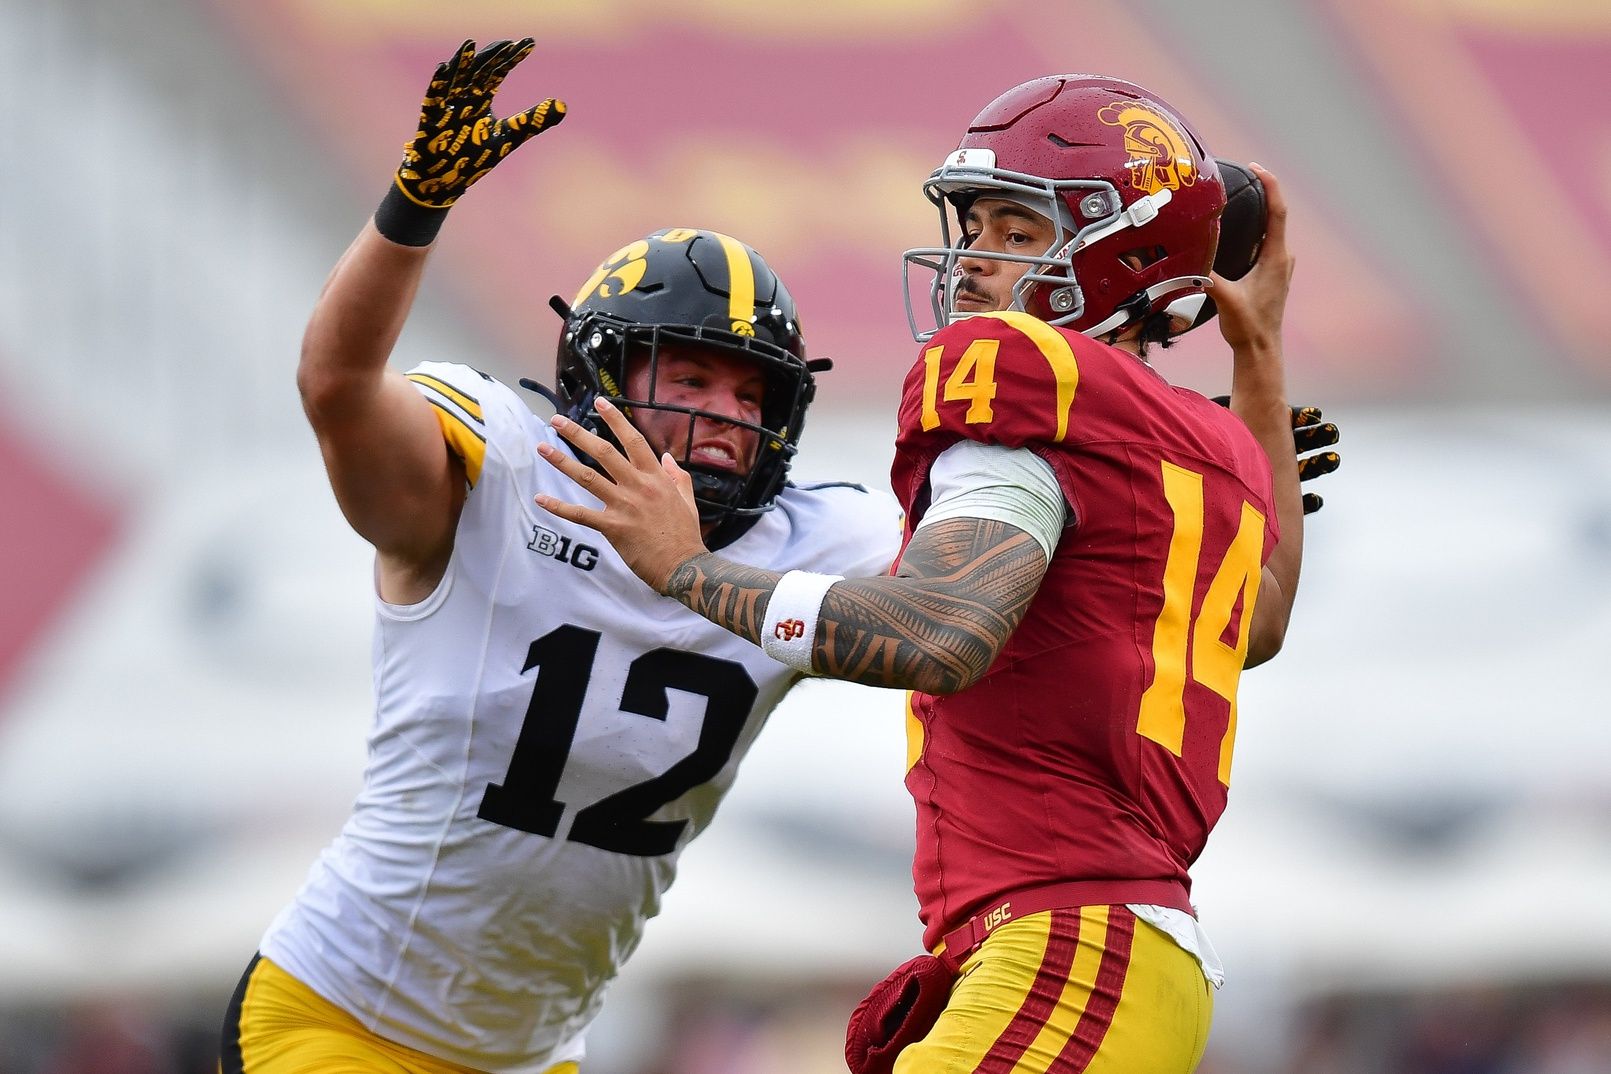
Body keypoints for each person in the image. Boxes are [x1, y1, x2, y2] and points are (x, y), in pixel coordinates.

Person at [535, 74, 1312, 1073]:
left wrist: (682, 567)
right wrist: (1261, 361)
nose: (975, 258)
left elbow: (939, 633)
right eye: (975, 222)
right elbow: (1267, 615)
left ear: (1127, 246)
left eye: (1020, 229)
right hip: (1107, 948)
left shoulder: (1028, 380)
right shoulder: (1200, 435)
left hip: (1069, 943)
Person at [218, 39, 902, 1074]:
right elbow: (337, 383)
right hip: (341, 1017)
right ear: (602, 376)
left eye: (750, 394)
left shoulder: (812, 537)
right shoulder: (497, 466)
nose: (724, 417)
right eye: (694, 379)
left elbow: (976, 598)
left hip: (536, 1055)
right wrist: (413, 210)